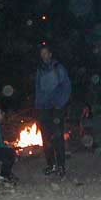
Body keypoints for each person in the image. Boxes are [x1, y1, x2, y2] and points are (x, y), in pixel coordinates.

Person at [35, 44, 71, 177]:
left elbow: (67, 86)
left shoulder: (58, 68)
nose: (44, 56)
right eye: (42, 54)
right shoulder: (40, 70)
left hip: (56, 108)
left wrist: (60, 104)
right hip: (44, 108)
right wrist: (38, 105)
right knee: (46, 138)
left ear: (50, 54)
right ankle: (51, 165)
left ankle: (61, 166)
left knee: (58, 137)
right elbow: (38, 88)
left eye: (46, 53)